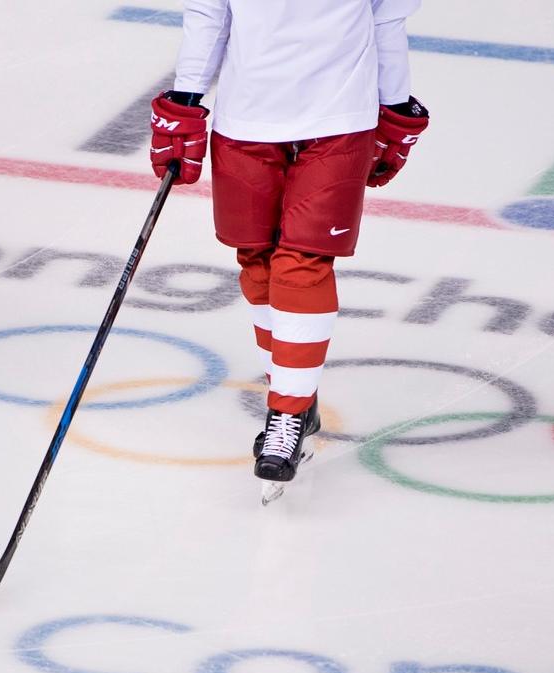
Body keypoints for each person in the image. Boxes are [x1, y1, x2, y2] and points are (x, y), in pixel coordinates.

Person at [149, 0, 430, 490]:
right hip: (246, 121)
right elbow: (209, 15)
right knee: (257, 261)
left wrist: (397, 105)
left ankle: (287, 416)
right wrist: (186, 102)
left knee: (302, 265)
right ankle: (294, 391)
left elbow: (386, 19)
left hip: (340, 122)